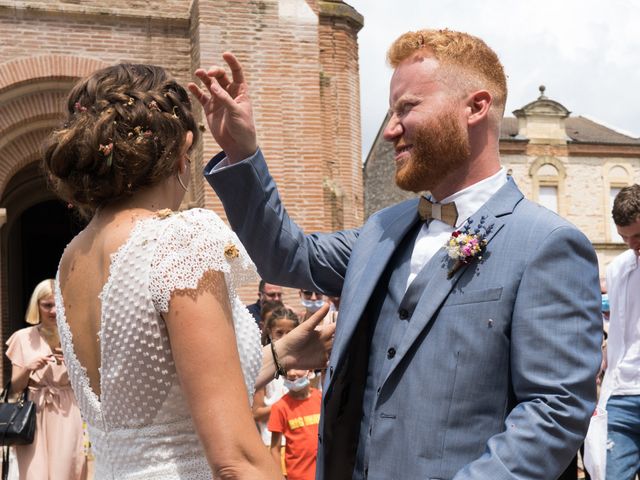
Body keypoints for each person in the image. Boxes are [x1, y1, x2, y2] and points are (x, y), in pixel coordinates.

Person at [194, 29, 602, 479]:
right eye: (391, 112)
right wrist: (241, 151)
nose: (389, 130)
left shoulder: (546, 245)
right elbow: (285, 257)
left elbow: (554, 411)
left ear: (476, 106)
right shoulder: (381, 231)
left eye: (407, 108)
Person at [43, 63, 334, 480]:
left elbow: (164, 396)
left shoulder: (71, 259)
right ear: (186, 146)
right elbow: (236, 458)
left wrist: (282, 354)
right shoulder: (181, 238)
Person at [5, 279, 87, 480]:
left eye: (58, 303)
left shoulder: (76, 337)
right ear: (37, 306)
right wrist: (28, 368)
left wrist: (72, 362)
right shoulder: (23, 337)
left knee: (67, 469)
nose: (53, 311)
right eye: (47, 305)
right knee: (34, 472)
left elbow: (90, 383)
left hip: (68, 411)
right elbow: (16, 387)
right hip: (33, 412)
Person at [585, 184, 640, 480]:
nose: (632, 244)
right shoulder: (617, 268)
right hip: (620, 395)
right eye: (624, 237)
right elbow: (620, 330)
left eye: (638, 236)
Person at [253, 307, 300, 446]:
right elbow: (256, 413)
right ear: (270, 333)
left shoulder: (303, 364)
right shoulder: (262, 365)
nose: (285, 338)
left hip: (300, 445)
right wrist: (285, 405)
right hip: (274, 445)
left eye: (290, 333)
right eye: (279, 333)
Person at [268, 369, 321, 480]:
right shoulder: (280, 407)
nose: (291, 373)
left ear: (310, 370)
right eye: (287, 368)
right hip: (297, 476)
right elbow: (275, 449)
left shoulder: (321, 399)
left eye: (297, 367)